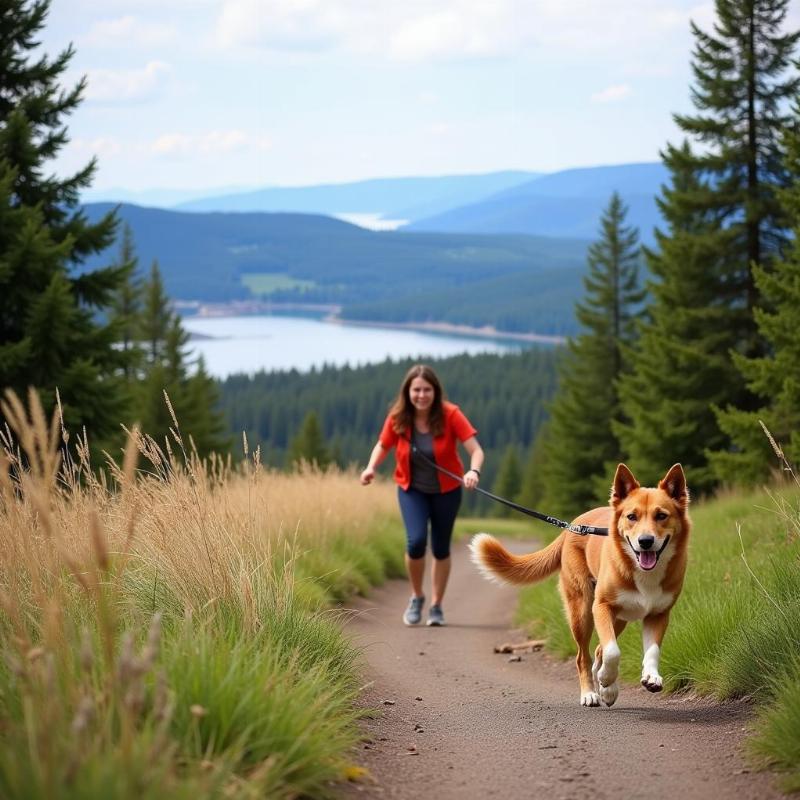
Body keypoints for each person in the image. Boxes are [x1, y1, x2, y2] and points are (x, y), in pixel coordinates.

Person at [360, 364, 484, 627]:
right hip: (411, 490)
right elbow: (383, 445)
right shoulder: (398, 418)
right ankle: (417, 597)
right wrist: (371, 468)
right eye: (416, 390)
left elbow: (476, 450)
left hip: (447, 491)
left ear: (435, 391)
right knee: (416, 542)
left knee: (440, 548)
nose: (421, 395)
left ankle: (437, 606)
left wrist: (473, 471)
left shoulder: (450, 414)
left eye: (427, 390)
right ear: (408, 392)